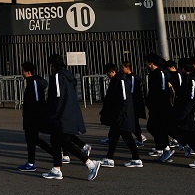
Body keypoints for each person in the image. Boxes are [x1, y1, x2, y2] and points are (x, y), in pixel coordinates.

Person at [42, 53, 100, 182]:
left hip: (61, 115)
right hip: (69, 113)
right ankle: (57, 168)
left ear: (51, 65)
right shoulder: (68, 76)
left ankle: (90, 164)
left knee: (62, 141)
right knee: (58, 141)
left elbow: (57, 97)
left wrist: (52, 114)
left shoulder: (57, 76)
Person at [98, 63, 142, 168]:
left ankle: (136, 159)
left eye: (108, 73)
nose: (108, 75)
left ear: (112, 72)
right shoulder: (117, 80)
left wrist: (119, 114)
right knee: (114, 136)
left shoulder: (121, 81)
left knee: (126, 137)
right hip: (119, 115)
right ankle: (109, 158)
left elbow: (124, 99)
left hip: (122, 115)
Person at [15, 61, 53, 172]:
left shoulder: (34, 82)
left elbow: (37, 100)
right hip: (31, 115)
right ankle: (31, 162)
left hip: (33, 116)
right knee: (31, 140)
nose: (22, 73)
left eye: (23, 70)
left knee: (33, 139)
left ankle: (54, 154)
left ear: (28, 72)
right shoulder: (32, 81)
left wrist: (36, 115)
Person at [143, 54, 172, 159]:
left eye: (147, 62)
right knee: (154, 127)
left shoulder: (160, 73)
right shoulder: (152, 74)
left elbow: (163, 90)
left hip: (161, 106)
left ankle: (165, 147)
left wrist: (159, 103)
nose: (146, 64)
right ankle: (161, 147)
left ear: (151, 63)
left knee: (156, 127)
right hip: (154, 105)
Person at [121, 60, 146, 145]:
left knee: (134, 122)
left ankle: (139, 138)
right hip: (132, 103)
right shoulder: (126, 77)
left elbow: (132, 92)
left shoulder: (132, 78)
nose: (122, 69)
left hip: (134, 103)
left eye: (123, 67)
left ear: (127, 68)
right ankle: (138, 137)